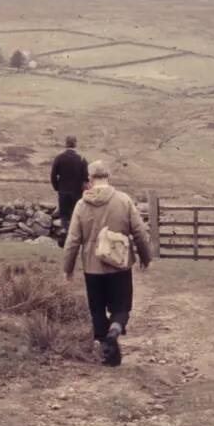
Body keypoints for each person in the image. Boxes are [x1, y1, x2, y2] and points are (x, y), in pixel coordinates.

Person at [62, 160, 152, 366]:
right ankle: (116, 329)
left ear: (90, 179)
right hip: (119, 265)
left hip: (92, 268)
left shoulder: (81, 205)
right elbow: (139, 232)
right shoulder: (123, 200)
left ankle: (108, 353)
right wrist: (145, 258)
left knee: (97, 310)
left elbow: (72, 240)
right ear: (108, 177)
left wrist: (67, 268)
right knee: (121, 308)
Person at [50, 135, 89, 248]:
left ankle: (63, 235)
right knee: (74, 215)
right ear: (75, 144)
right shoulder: (82, 159)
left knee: (64, 215)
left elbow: (53, 176)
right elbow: (86, 178)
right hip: (77, 193)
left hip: (63, 191)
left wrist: (57, 187)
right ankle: (73, 239)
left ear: (66, 144)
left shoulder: (59, 158)